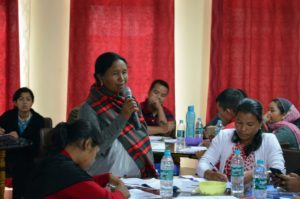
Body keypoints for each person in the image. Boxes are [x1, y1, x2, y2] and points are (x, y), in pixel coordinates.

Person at [78, 52, 156, 178]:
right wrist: (123, 116)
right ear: (100, 77)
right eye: (115, 74)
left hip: (138, 179)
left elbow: (142, 135)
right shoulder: (89, 109)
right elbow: (93, 149)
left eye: (124, 72)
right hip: (106, 179)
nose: (122, 78)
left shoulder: (128, 101)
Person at [25, 120, 130, 199]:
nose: (94, 158)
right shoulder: (65, 170)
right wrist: (121, 193)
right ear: (87, 144)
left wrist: (105, 178)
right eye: (96, 153)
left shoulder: (57, 159)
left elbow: (79, 184)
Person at [197, 98, 285, 186]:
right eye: (239, 123)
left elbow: (279, 171)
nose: (243, 129)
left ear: (260, 123)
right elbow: (204, 162)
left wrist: (255, 173)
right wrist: (209, 174)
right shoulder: (224, 136)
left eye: (249, 124)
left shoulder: (269, 140)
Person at [0, 87, 45, 199]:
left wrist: (18, 138)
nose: (25, 102)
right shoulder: (8, 116)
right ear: (15, 102)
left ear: (32, 102)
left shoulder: (39, 120)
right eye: (21, 99)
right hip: (9, 155)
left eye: (28, 99)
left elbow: (37, 144)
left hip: (30, 156)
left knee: (22, 166)